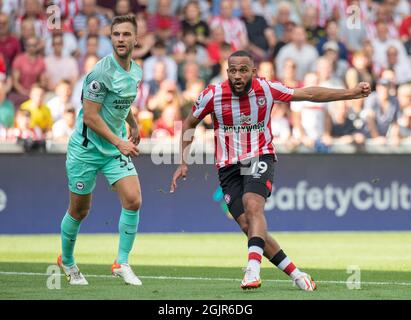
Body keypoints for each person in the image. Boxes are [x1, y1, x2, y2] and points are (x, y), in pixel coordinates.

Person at [170, 50, 371, 291]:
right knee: (248, 225)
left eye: (243, 70)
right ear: (227, 73)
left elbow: (308, 93)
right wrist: (182, 161)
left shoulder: (266, 89)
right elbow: (189, 124)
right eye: (232, 70)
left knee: (252, 205)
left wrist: (350, 93)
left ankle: (252, 270)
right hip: (228, 167)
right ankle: (296, 273)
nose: (237, 75)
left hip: (259, 154)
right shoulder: (212, 95)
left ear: (253, 72)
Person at [57, 15, 144, 286]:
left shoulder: (136, 71)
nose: (121, 39)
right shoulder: (99, 73)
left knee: (133, 200)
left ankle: (121, 262)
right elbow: (90, 118)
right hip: (86, 150)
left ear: (135, 39)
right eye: (116, 34)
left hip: (114, 147)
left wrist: (133, 124)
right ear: (111, 38)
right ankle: (67, 261)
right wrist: (120, 142)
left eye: (126, 34)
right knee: (80, 210)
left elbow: (122, 102)